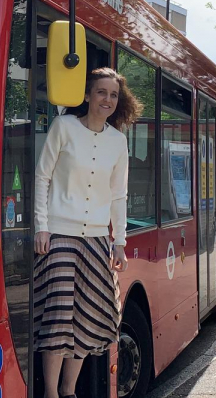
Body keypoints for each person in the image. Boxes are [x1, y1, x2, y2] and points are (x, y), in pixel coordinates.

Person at [34, 66, 142, 398]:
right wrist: (42, 227)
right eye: (101, 92)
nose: (107, 99)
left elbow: (118, 195)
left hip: (97, 240)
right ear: (87, 95)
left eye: (113, 95)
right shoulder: (63, 127)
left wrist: (119, 241)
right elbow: (42, 178)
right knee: (58, 319)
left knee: (88, 316)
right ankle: (51, 393)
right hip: (60, 236)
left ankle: (69, 390)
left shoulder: (118, 141)